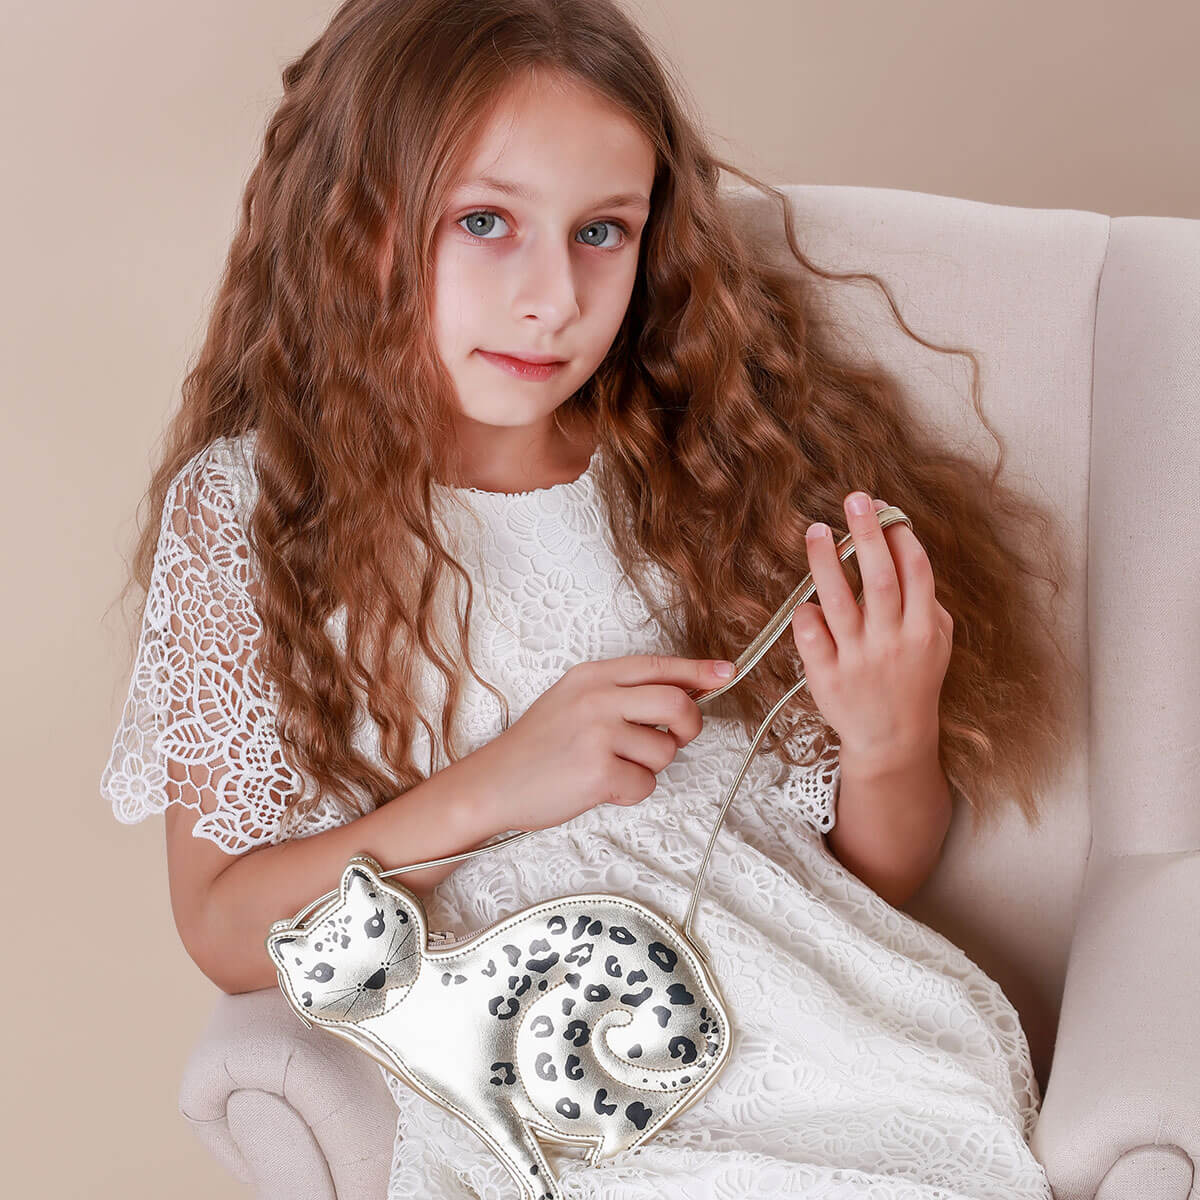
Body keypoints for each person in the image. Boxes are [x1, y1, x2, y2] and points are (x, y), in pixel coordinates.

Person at [100, 1, 1079, 1196]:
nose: (553, 296)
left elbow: (859, 879)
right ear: (354, 222)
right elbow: (223, 928)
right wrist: (499, 787)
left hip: (824, 1044)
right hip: (544, 1077)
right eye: (485, 221)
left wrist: (890, 733)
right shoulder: (250, 514)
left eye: (602, 232)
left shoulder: (700, 467)